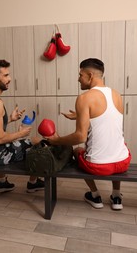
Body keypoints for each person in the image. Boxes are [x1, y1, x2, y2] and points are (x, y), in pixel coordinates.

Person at [46, 58, 131, 210]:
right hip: (123, 163)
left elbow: (80, 136)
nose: (78, 79)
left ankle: (95, 194)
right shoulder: (117, 95)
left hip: (98, 166)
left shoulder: (84, 98)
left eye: (80, 75)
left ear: (90, 75)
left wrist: (57, 140)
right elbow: (105, 120)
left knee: (77, 150)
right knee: (118, 144)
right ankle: (116, 196)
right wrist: (80, 115)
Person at [0, 59, 44, 193]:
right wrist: (20, 135)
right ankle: (33, 183)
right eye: (5, 75)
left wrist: (10, 119)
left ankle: (1, 183)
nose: (10, 79)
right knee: (38, 142)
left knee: (13, 142)